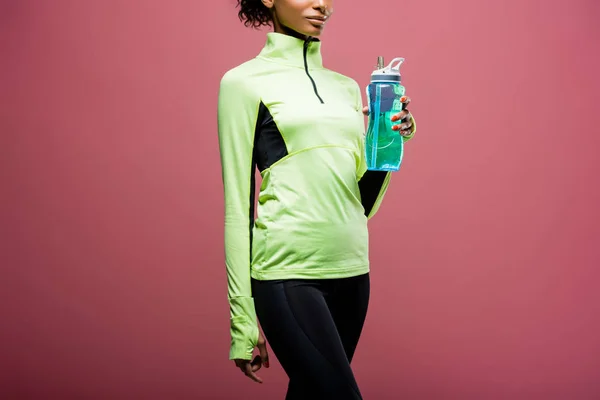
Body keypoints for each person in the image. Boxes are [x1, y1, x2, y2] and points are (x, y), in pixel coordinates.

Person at [216, 0, 416, 398]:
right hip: (287, 275)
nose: (322, 4)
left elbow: (360, 202)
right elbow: (237, 209)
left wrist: (391, 139)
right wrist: (243, 319)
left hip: (353, 273)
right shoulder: (243, 83)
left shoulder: (345, 87)